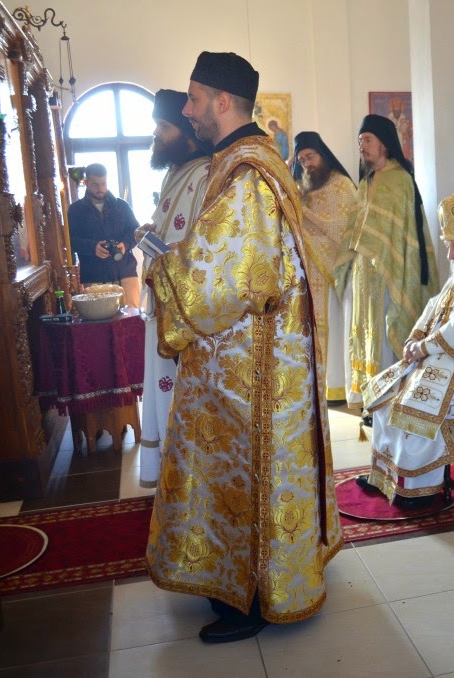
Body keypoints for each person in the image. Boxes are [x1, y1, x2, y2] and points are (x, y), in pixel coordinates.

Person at [144, 51, 342, 644]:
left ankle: (252, 595)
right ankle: (240, 580)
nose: (187, 110)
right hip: (246, 355)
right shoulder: (245, 161)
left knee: (247, 471)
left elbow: (229, 276)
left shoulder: (248, 172)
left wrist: (163, 269)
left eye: (194, 99)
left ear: (222, 102)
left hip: (251, 367)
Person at [355, 190, 454, 508]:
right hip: (442, 354)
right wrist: (414, 338)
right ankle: (386, 476)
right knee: (388, 392)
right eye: (448, 246)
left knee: (416, 401)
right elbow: (436, 304)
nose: (450, 255)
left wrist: (424, 347)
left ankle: (421, 489)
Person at [333, 114, 439, 409]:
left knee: (385, 335)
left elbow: (406, 237)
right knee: (365, 336)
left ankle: (389, 398)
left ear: (385, 144)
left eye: (367, 140)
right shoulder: (365, 183)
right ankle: (370, 400)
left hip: (389, 275)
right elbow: (355, 231)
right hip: (362, 277)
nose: (362, 146)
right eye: (360, 141)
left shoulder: (401, 181)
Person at [134, 88, 212, 488]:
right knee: (161, 387)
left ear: (185, 131)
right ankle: (169, 474)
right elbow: (168, 231)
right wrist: (149, 234)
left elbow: (200, 251)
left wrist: (160, 251)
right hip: (161, 301)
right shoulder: (174, 173)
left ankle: (185, 479)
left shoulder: (206, 175)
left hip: (183, 309)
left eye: (163, 126)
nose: (156, 134)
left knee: (179, 393)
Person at [292, 131, 356, 402]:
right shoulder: (301, 190)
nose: (307, 164)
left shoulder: (342, 185)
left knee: (334, 327)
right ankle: (314, 386)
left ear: (323, 154)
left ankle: (336, 386)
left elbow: (342, 228)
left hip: (334, 270)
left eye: (310, 156)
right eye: (302, 160)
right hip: (307, 271)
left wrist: (304, 219)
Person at [67, 163, 141, 307]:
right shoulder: (75, 210)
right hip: (94, 276)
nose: (100, 188)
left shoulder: (122, 206)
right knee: (99, 320)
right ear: (86, 182)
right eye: (95, 184)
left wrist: (125, 245)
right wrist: (92, 247)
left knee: (132, 317)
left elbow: (136, 232)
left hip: (125, 273)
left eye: (103, 183)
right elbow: (69, 240)